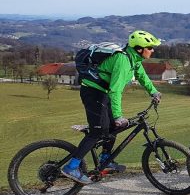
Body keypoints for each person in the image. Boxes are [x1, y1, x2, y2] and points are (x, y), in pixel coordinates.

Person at [60, 30, 163, 184]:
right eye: (150, 47)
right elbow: (115, 90)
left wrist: (153, 92)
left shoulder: (134, 60)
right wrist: (118, 116)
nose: (153, 50)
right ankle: (72, 166)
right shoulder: (123, 61)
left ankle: (105, 159)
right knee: (98, 131)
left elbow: (142, 77)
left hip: (102, 93)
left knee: (113, 127)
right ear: (139, 48)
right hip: (93, 92)